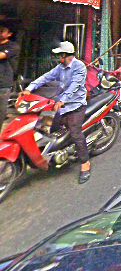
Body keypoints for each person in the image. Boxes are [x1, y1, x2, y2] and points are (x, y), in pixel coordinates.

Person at [19, 42, 91, 184]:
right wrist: (29, 88)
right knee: (43, 126)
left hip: (75, 106)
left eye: (60, 55)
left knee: (76, 133)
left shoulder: (79, 67)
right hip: (59, 105)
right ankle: (49, 153)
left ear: (66, 55)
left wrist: (63, 100)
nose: (58, 58)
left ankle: (85, 164)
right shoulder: (60, 68)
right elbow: (46, 77)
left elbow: (75, 86)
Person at [0, 25, 19, 128]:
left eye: (2, 31)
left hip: (2, 84)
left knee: (0, 112)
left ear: (9, 34)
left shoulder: (13, 46)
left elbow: (1, 55)